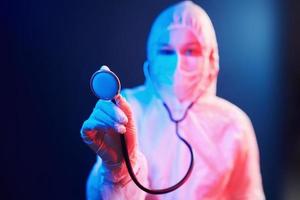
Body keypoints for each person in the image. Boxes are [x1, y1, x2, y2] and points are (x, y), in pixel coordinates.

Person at [80, 1, 265, 199]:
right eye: (166, 51)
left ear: (211, 58)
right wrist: (117, 171)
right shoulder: (127, 110)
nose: (177, 63)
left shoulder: (234, 125)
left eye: (190, 51)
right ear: (150, 56)